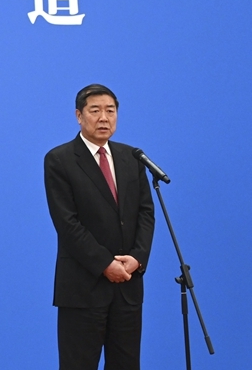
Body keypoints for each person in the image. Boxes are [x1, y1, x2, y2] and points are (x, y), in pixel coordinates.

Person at [44, 84, 155, 370]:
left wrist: (137, 258)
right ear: (79, 116)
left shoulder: (132, 158)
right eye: (95, 111)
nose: (104, 118)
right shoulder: (60, 160)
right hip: (83, 287)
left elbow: (146, 213)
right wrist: (106, 264)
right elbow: (67, 223)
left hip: (128, 286)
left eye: (110, 110)